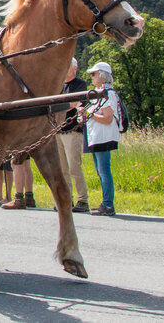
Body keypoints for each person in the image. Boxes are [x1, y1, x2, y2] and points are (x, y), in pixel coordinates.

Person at [82, 61, 121, 217]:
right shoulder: (99, 92)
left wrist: (87, 115)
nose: (91, 77)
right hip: (97, 137)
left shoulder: (107, 93)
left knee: (104, 171)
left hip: (103, 137)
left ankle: (108, 204)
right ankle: (106, 203)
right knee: (101, 170)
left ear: (102, 75)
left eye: (94, 74)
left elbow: (107, 118)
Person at [57, 58, 90, 213]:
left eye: (67, 66)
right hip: (59, 130)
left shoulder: (80, 84)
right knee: (62, 169)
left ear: (74, 68)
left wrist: (57, 106)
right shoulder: (59, 85)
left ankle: (82, 199)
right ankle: (66, 200)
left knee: (74, 167)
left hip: (73, 130)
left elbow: (73, 104)